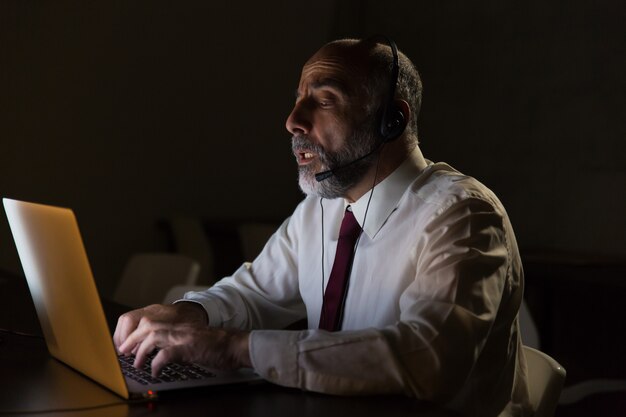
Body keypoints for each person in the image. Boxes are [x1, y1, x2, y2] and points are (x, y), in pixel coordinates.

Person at [114, 37, 531, 417]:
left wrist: (235, 348)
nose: (293, 121)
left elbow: (426, 358)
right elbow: (253, 291)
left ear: (392, 119)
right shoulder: (321, 208)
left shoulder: (462, 216)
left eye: (325, 100)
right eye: (298, 100)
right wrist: (188, 314)